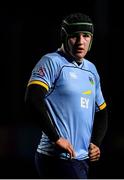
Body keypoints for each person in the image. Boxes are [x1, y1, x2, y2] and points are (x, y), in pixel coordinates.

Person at [25, 12, 108, 179]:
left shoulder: (91, 69)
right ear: (64, 37)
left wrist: (96, 143)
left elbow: (102, 111)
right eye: (74, 36)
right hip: (56, 159)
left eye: (86, 36)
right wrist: (56, 138)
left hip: (81, 159)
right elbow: (32, 99)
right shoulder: (52, 62)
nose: (80, 42)